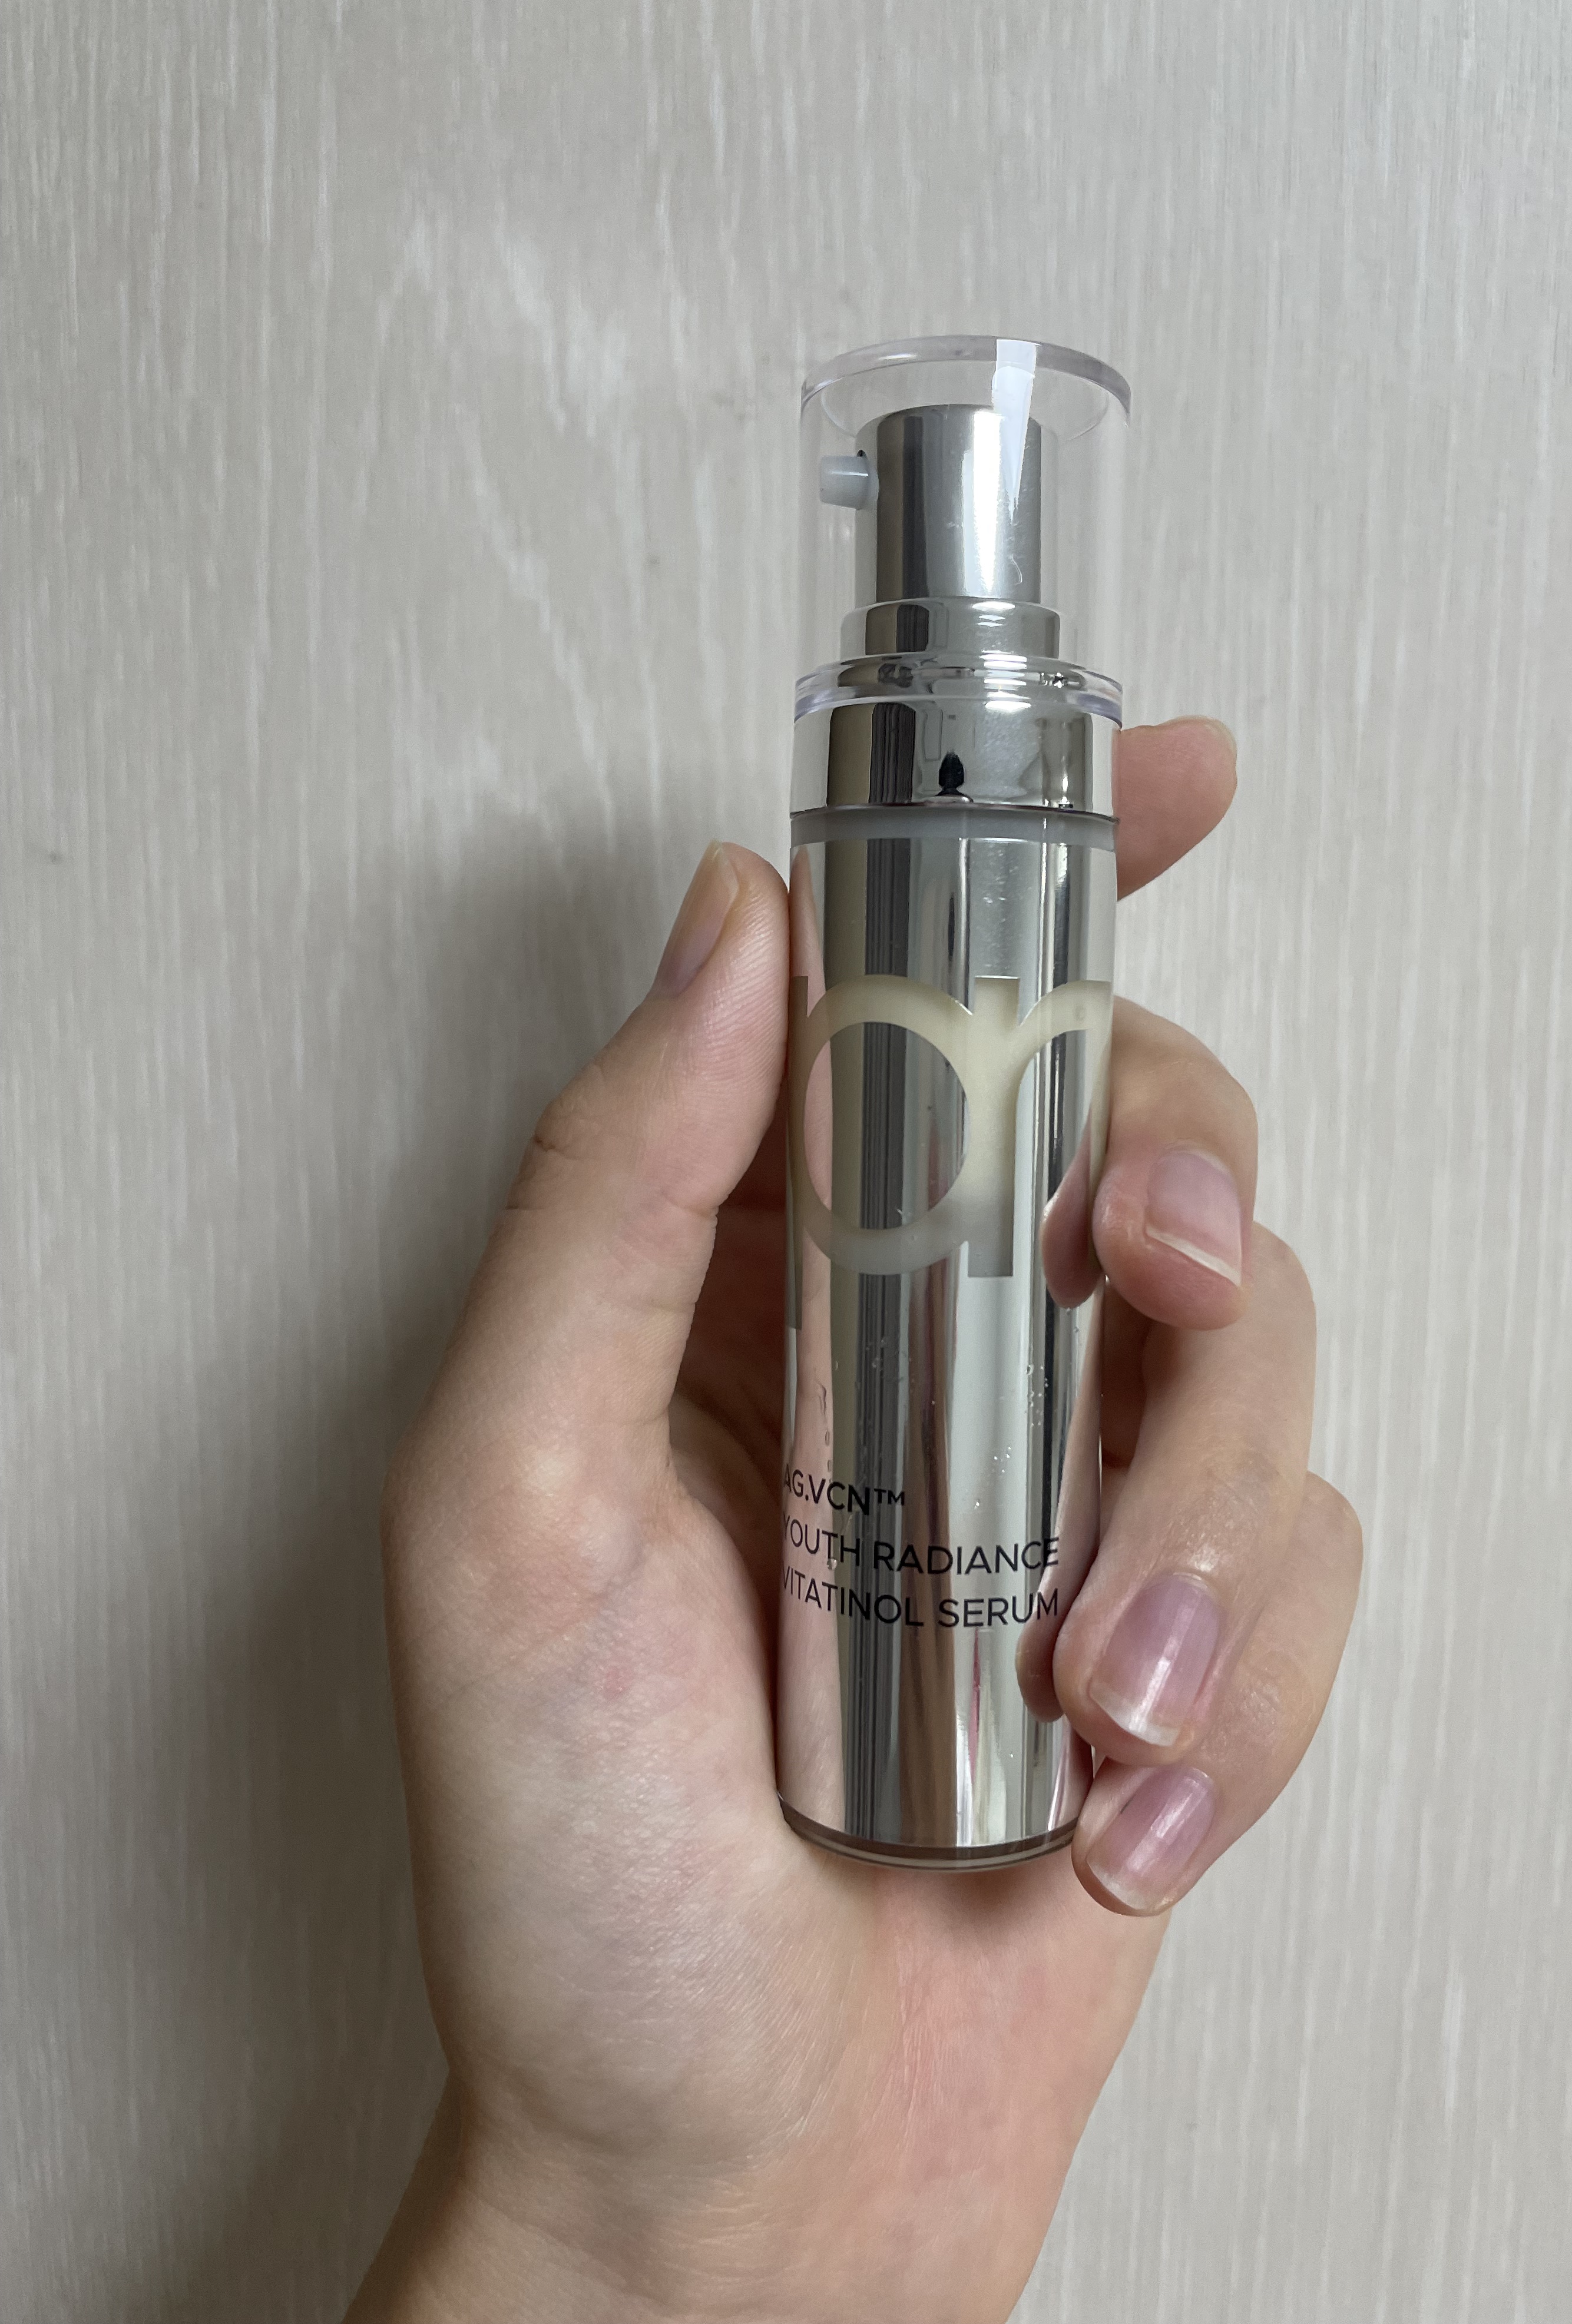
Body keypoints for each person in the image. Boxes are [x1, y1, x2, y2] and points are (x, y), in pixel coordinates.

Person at [345, 717, 1362, 2324]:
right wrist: (621, 2237)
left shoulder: (1003, 856)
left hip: (988, 1811)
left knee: (1065, 1159)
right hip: (804, 1705)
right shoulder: (859, 899)